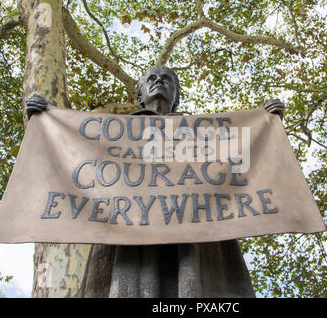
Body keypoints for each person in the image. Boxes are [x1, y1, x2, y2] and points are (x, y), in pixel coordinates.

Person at [26, 66, 284, 297]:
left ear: (177, 96)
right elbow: (72, 155)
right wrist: (43, 121)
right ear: (139, 95)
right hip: (129, 233)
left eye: (166, 79)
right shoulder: (112, 131)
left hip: (193, 232)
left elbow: (240, 155)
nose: (158, 81)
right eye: (151, 78)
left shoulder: (204, 132)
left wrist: (267, 123)